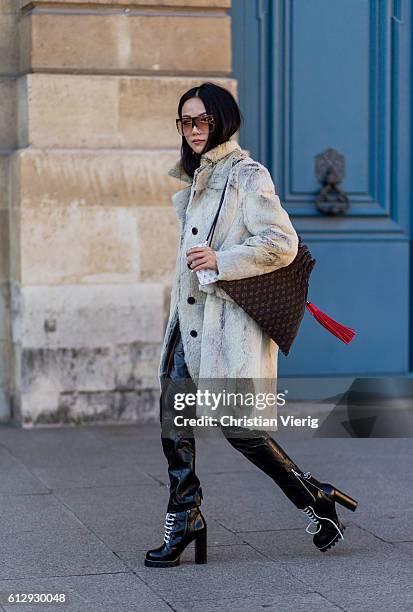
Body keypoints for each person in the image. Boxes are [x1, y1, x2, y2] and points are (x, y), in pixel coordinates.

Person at [145, 82, 358, 568]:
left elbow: (280, 243)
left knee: (241, 431)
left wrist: (222, 260)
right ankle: (185, 516)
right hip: (189, 321)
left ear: (222, 120)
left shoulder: (247, 175)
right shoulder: (197, 176)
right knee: (173, 420)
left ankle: (315, 499)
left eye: (202, 120)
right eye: (185, 121)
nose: (194, 130)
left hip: (224, 323)